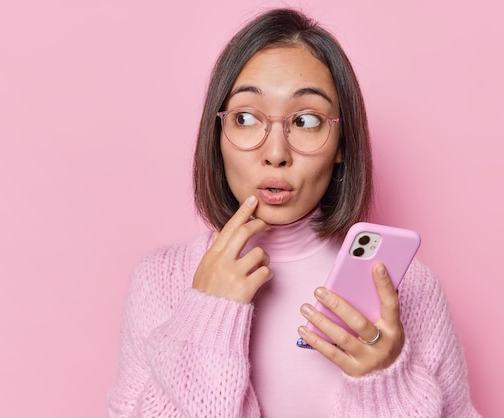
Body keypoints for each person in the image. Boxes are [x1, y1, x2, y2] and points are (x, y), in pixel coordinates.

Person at [107, 8, 480, 417]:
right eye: (246, 118)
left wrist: (386, 383)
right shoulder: (161, 282)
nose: (276, 154)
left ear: (342, 144)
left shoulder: (410, 288)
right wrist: (206, 316)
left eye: (305, 120)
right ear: (217, 135)